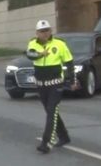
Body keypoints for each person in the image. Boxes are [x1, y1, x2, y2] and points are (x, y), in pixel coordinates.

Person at [26, 20, 77, 154]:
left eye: (47, 30)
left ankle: (46, 142)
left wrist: (72, 80)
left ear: (51, 31)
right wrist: (40, 54)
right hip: (41, 85)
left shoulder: (59, 44)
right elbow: (30, 55)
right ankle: (64, 136)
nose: (45, 33)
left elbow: (69, 62)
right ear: (37, 33)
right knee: (51, 112)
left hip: (56, 84)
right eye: (42, 31)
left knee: (51, 110)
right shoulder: (33, 43)